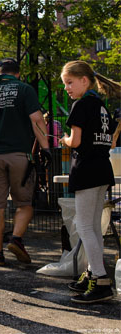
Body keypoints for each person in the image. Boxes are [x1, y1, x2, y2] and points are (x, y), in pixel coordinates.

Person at [0, 58, 51, 266]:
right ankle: (16, 238)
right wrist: (45, 148)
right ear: (17, 73)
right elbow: (37, 120)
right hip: (20, 156)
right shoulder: (24, 90)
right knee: (24, 204)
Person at [58, 60, 119, 304]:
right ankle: (94, 273)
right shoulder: (101, 106)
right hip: (102, 169)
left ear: (85, 80)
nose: (66, 88)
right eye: (65, 84)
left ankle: (101, 280)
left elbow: (75, 141)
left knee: (85, 227)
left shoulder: (81, 105)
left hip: (86, 170)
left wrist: (64, 140)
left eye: (69, 82)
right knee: (93, 226)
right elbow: (111, 142)